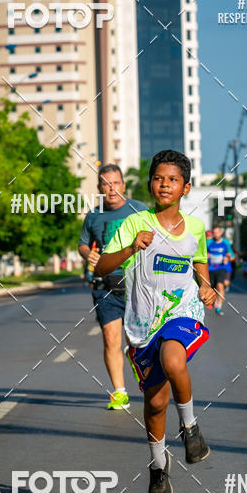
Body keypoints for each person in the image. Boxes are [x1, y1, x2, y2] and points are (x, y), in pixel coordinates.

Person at [95, 149, 215, 493]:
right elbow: (101, 267)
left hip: (182, 313)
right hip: (143, 322)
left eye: (173, 179)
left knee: (174, 358)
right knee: (156, 402)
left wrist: (206, 287)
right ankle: (158, 465)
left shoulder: (195, 227)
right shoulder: (133, 223)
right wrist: (132, 247)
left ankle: (191, 429)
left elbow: (199, 265)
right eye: (159, 178)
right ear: (150, 183)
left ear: (186, 188)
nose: (165, 184)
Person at [78, 164, 146, 410]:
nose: (111, 189)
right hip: (106, 286)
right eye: (106, 184)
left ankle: (148, 381)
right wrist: (88, 255)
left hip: (137, 286)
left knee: (138, 341)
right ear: (99, 188)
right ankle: (119, 392)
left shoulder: (139, 210)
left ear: (123, 185)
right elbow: (83, 244)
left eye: (115, 183)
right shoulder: (94, 216)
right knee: (111, 338)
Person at [207, 225, 231, 314]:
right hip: (211, 269)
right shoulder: (208, 243)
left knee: (220, 286)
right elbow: (202, 253)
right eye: (214, 233)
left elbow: (230, 255)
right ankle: (214, 301)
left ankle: (219, 307)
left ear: (221, 233)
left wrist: (227, 258)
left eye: (218, 232)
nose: (216, 234)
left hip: (221, 268)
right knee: (212, 287)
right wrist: (207, 256)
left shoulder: (225, 243)